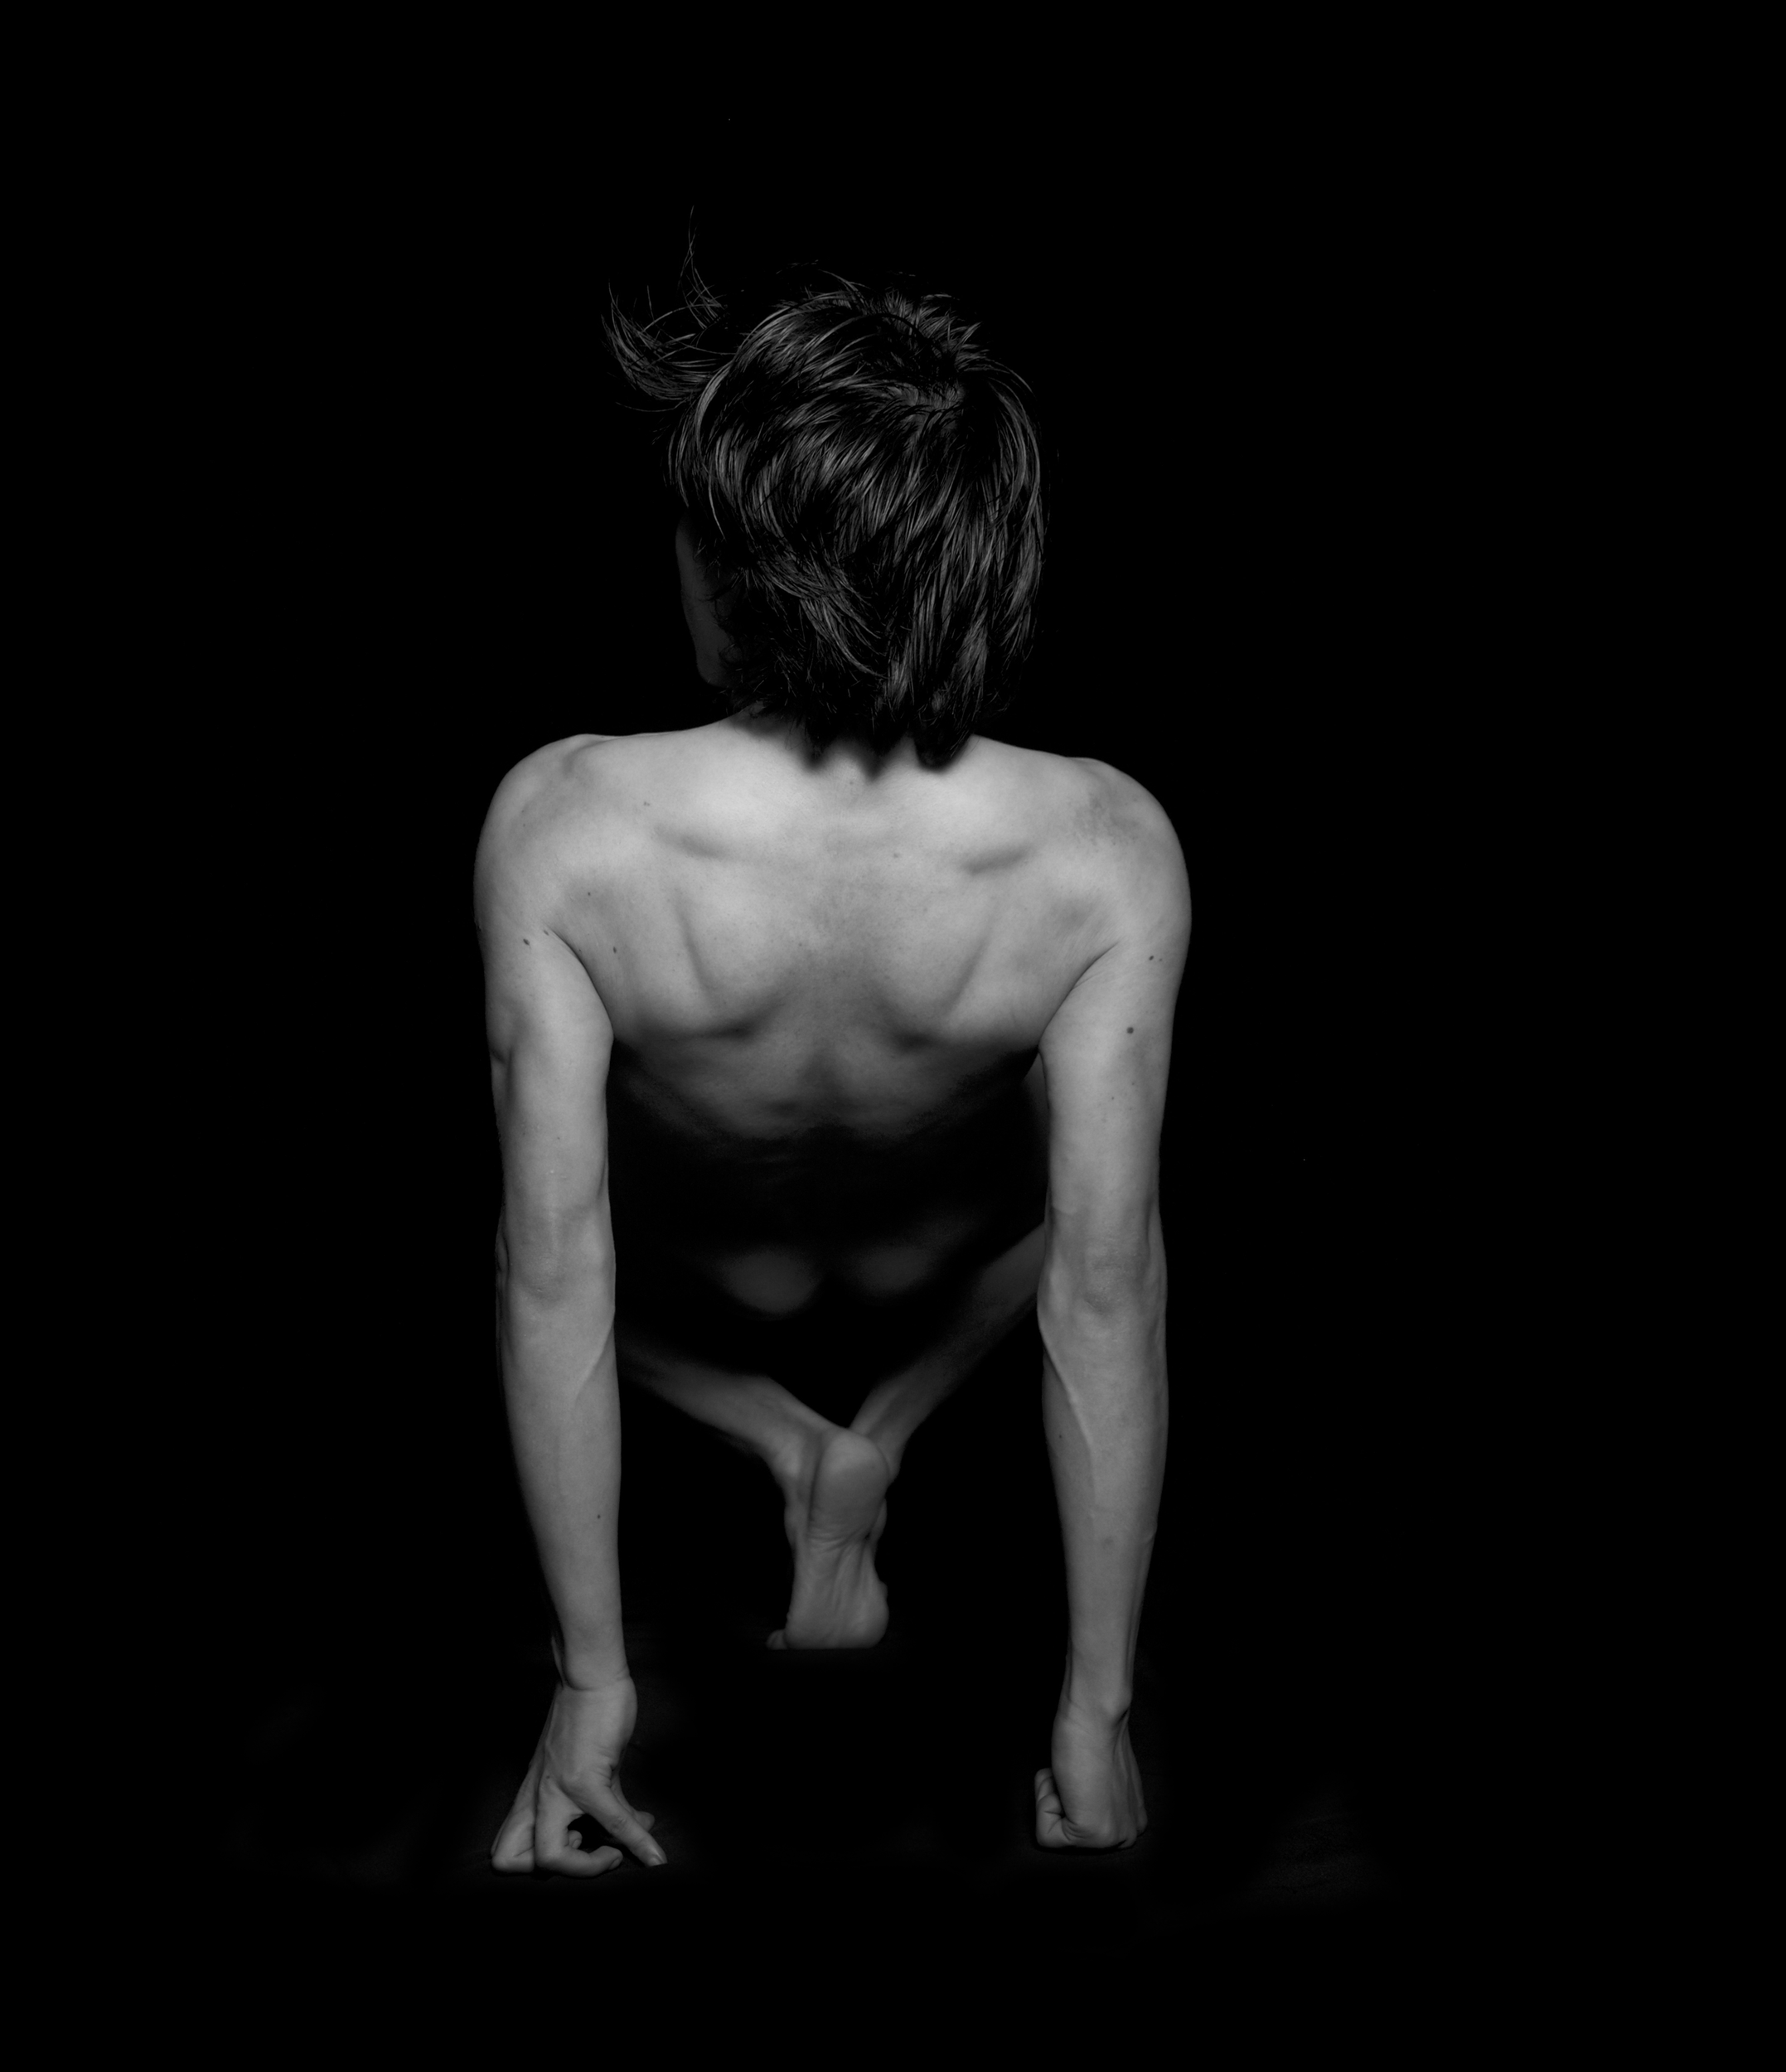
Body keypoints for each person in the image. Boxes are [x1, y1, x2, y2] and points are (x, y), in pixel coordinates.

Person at [479, 258, 1189, 1876]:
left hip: (691, 1300)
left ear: (749, 566)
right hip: (940, 1295)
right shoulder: (1101, 847)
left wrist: (593, 1679)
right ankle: (856, 1434)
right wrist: (1095, 1709)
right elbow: (1104, 1288)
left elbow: (553, 1268)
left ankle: (783, 1436)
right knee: (1088, 1236)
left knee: (532, 1243)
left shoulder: (566, 825)